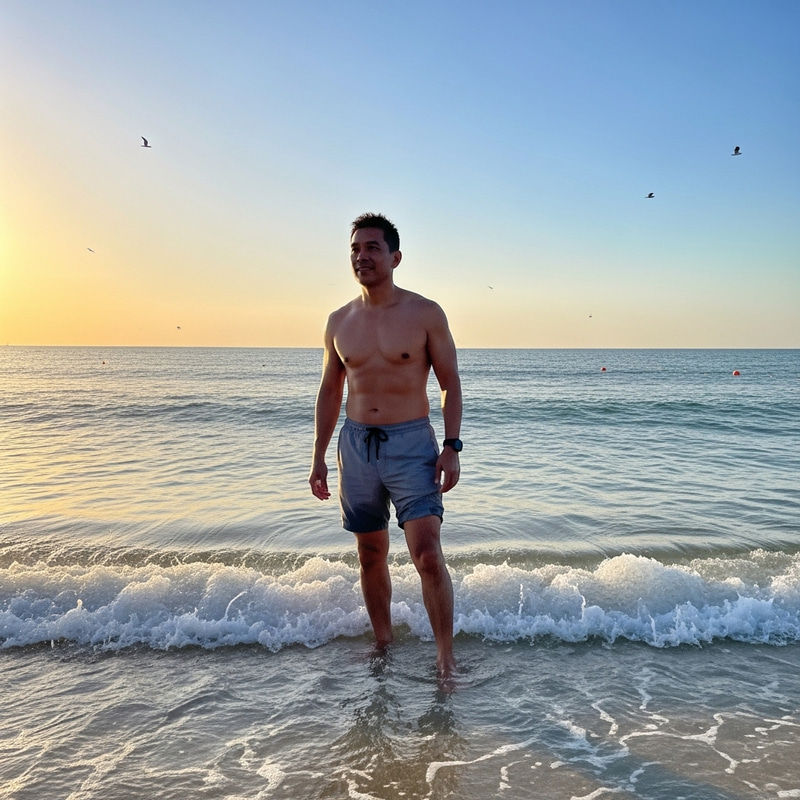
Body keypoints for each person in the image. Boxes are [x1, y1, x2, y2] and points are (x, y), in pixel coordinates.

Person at [309, 212, 463, 679]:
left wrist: (452, 445)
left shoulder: (425, 313)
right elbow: (330, 391)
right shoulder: (339, 321)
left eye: (373, 248)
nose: (362, 257)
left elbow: (450, 383)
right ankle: (382, 643)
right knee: (370, 554)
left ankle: (444, 656)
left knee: (427, 553)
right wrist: (318, 456)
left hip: (412, 443)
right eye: (356, 249)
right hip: (355, 447)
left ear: (395, 257)